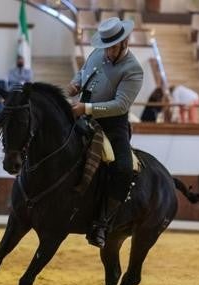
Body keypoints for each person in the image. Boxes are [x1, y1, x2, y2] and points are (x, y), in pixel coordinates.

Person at [68, 17, 143, 248]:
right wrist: (74, 84)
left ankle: (102, 222)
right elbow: (83, 73)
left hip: (113, 125)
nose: (108, 52)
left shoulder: (134, 70)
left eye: (112, 47)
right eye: (105, 47)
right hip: (82, 115)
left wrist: (86, 108)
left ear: (124, 42)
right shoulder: (96, 54)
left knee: (122, 168)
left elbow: (121, 105)